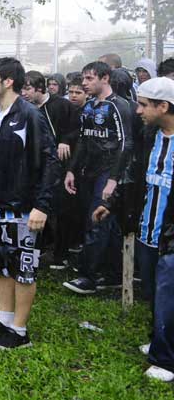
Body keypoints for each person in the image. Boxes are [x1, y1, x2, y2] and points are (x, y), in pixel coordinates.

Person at [0, 57, 59, 350]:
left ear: (7, 81)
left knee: (22, 269)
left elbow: (49, 161)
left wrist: (41, 206)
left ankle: (20, 332)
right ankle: (4, 318)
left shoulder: (29, 115)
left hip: (23, 208)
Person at [94, 77, 174, 382]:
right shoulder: (149, 137)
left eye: (143, 104)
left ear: (163, 106)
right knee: (155, 291)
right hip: (147, 229)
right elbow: (134, 176)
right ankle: (159, 339)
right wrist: (112, 204)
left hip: (170, 235)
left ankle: (165, 361)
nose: (138, 110)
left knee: (168, 294)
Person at [62, 61, 134, 295]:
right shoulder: (90, 107)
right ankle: (113, 273)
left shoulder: (118, 107)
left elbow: (126, 144)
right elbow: (82, 140)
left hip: (110, 170)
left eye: (89, 79)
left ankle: (88, 277)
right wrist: (72, 169)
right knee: (105, 223)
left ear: (105, 78)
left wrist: (114, 178)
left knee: (96, 219)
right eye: (83, 78)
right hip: (89, 171)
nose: (84, 83)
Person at [21, 70, 81, 268]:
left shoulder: (61, 105)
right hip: (36, 165)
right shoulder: (25, 109)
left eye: (28, 88)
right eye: (22, 88)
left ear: (40, 88)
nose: (24, 93)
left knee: (62, 210)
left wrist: (65, 141)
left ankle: (61, 252)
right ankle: (42, 244)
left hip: (60, 165)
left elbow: (76, 128)